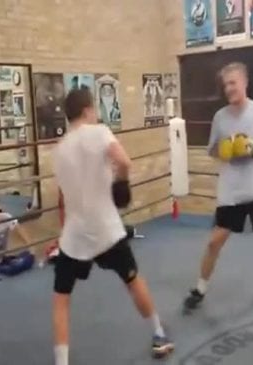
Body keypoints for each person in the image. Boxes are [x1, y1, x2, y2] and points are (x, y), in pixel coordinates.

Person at [51, 89, 174, 365]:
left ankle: (62, 362)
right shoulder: (99, 132)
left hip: (74, 236)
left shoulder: (58, 150)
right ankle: (158, 334)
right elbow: (124, 161)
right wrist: (122, 183)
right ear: (87, 110)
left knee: (61, 299)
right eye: (93, 109)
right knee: (132, 280)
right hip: (106, 230)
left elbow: (63, 194)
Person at [183, 62, 253, 312]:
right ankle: (200, 288)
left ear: (245, 83)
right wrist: (224, 149)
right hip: (231, 191)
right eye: (226, 84)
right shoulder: (220, 117)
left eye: (233, 83)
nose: (229, 88)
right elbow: (212, 149)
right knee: (214, 242)